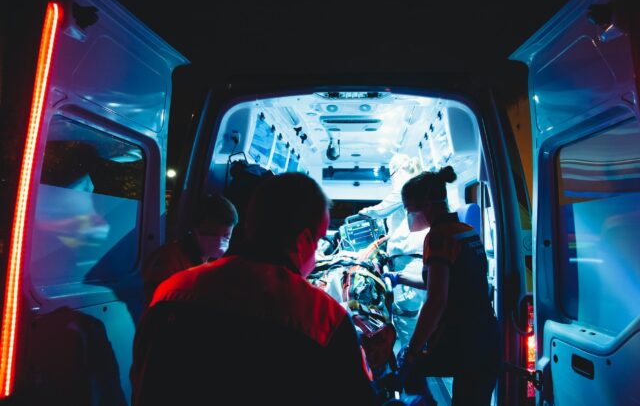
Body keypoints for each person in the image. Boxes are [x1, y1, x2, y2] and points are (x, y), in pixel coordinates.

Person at [131, 173, 379, 405]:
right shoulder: (325, 317)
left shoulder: (171, 290)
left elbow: (141, 379)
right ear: (303, 240)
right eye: (318, 240)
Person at [383, 166, 501, 406]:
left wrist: (412, 351)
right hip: (485, 337)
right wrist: (399, 277)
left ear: (426, 205)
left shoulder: (438, 237)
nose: (408, 216)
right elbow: (442, 282)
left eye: (408, 209)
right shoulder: (465, 232)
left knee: (412, 368)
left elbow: (436, 301)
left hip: (466, 342)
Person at [358, 154, 427, 349]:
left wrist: (364, 211)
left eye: (391, 173)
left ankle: (410, 362)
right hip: (412, 256)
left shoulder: (405, 186)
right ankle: (413, 357)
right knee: (412, 315)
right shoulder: (416, 186)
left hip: (408, 258)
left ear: (396, 170)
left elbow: (381, 210)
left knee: (406, 316)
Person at [141, 194, 238, 305]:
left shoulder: (209, 261)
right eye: (211, 234)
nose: (220, 242)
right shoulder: (168, 259)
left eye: (226, 236)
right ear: (194, 229)